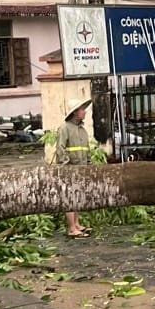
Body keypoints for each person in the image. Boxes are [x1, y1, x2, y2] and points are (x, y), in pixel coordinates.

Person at [54, 98, 93, 238]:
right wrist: (66, 165)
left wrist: (89, 165)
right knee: (70, 198)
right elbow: (60, 149)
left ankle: (76, 224)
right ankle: (71, 228)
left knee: (78, 197)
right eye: (82, 110)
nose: (85, 112)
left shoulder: (82, 130)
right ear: (75, 112)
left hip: (81, 168)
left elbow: (86, 149)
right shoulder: (65, 128)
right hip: (70, 169)